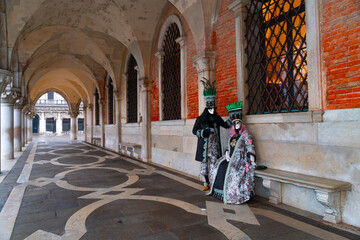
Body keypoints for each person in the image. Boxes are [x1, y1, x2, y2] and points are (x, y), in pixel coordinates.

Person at [207, 101, 256, 204]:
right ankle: (218, 191)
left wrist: (252, 160)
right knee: (218, 166)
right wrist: (227, 154)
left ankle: (231, 195)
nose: (236, 125)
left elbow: (250, 148)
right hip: (230, 158)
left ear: (241, 123)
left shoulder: (246, 135)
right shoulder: (232, 136)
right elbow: (227, 148)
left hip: (240, 160)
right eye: (234, 123)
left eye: (238, 123)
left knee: (232, 171)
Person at [192, 78, 231, 191]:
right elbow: (194, 131)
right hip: (204, 147)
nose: (212, 110)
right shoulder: (200, 119)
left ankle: (213, 182)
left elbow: (225, 125)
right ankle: (206, 183)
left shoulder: (216, 118)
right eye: (210, 109)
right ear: (207, 108)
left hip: (214, 146)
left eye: (214, 108)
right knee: (204, 166)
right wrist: (204, 132)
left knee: (214, 165)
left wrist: (233, 118)